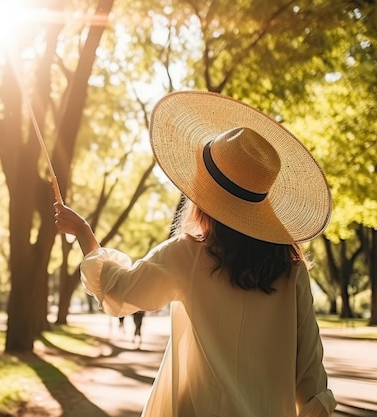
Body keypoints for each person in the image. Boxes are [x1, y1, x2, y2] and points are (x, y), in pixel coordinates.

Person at [53, 91, 336, 417]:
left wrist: (84, 234)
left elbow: (117, 292)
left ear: (204, 194)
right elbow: (310, 376)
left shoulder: (187, 255)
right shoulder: (291, 269)